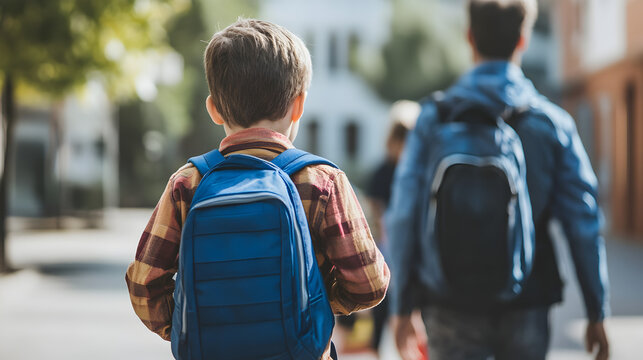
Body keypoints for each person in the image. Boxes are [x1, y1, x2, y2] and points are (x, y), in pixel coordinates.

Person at [125, 18, 390, 360]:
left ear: (214, 109)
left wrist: (191, 325)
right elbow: (370, 282)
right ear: (299, 105)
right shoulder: (321, 181)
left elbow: (145, 283)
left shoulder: (188, 182)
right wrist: (311, 307)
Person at [386, 1, 610, 360]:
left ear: (469, 37)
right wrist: (596, 309)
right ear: (522, 39)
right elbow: (583, 220)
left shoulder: (434, 118)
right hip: (527, 297)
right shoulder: (550, 123)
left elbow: (403, 215)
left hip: (447, 298)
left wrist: (402, 305)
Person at [365, 100, 421, 357]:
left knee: (413, 308)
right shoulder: (383, 173)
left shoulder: (419, 172)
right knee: (383, 306)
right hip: (386, 249)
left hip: (412, 249)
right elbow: (374, 210)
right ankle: (379, 350)